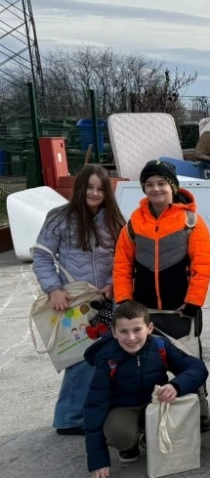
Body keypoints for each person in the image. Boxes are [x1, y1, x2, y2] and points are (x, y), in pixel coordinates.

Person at [113, 159, 210, 432]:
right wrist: (124, 302)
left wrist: (193, 303)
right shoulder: (134, 225)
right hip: (144, 311)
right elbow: (122, 265)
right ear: (143, 188)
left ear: (172, 187)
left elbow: (202, 264)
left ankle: (200, 410)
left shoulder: (191, 222)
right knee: (146, 365)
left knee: (190, 363)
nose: (155, 189)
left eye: (161, 183)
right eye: (149, 184)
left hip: (181, 310)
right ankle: (148, 415)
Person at [32, 164, 124, 436]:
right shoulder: (60, 218)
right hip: (74, 301)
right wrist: (53, 289)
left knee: (109, 355)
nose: (94, 193)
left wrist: (115, 284)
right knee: (80, 358)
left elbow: (125, 257)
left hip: (106, 300)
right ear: (79, 188)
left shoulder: (115, 221)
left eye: (100, 188)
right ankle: (70, 416)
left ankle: (97, 409)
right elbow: (42, 256)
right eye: (89, 187)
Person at [83, 301, 209, 478]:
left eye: (137, 330)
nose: (131, 338)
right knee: (120, 434)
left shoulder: (160, 346)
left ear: (149, 328)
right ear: (114, 331)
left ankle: (148, 437)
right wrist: (98, 459)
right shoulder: (107, 358)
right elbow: (94, 406)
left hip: (156, 402)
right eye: (124, 331)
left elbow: (197, 368)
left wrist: (176, 386)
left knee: (191, 385)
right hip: (124, 407)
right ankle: (130, 445)